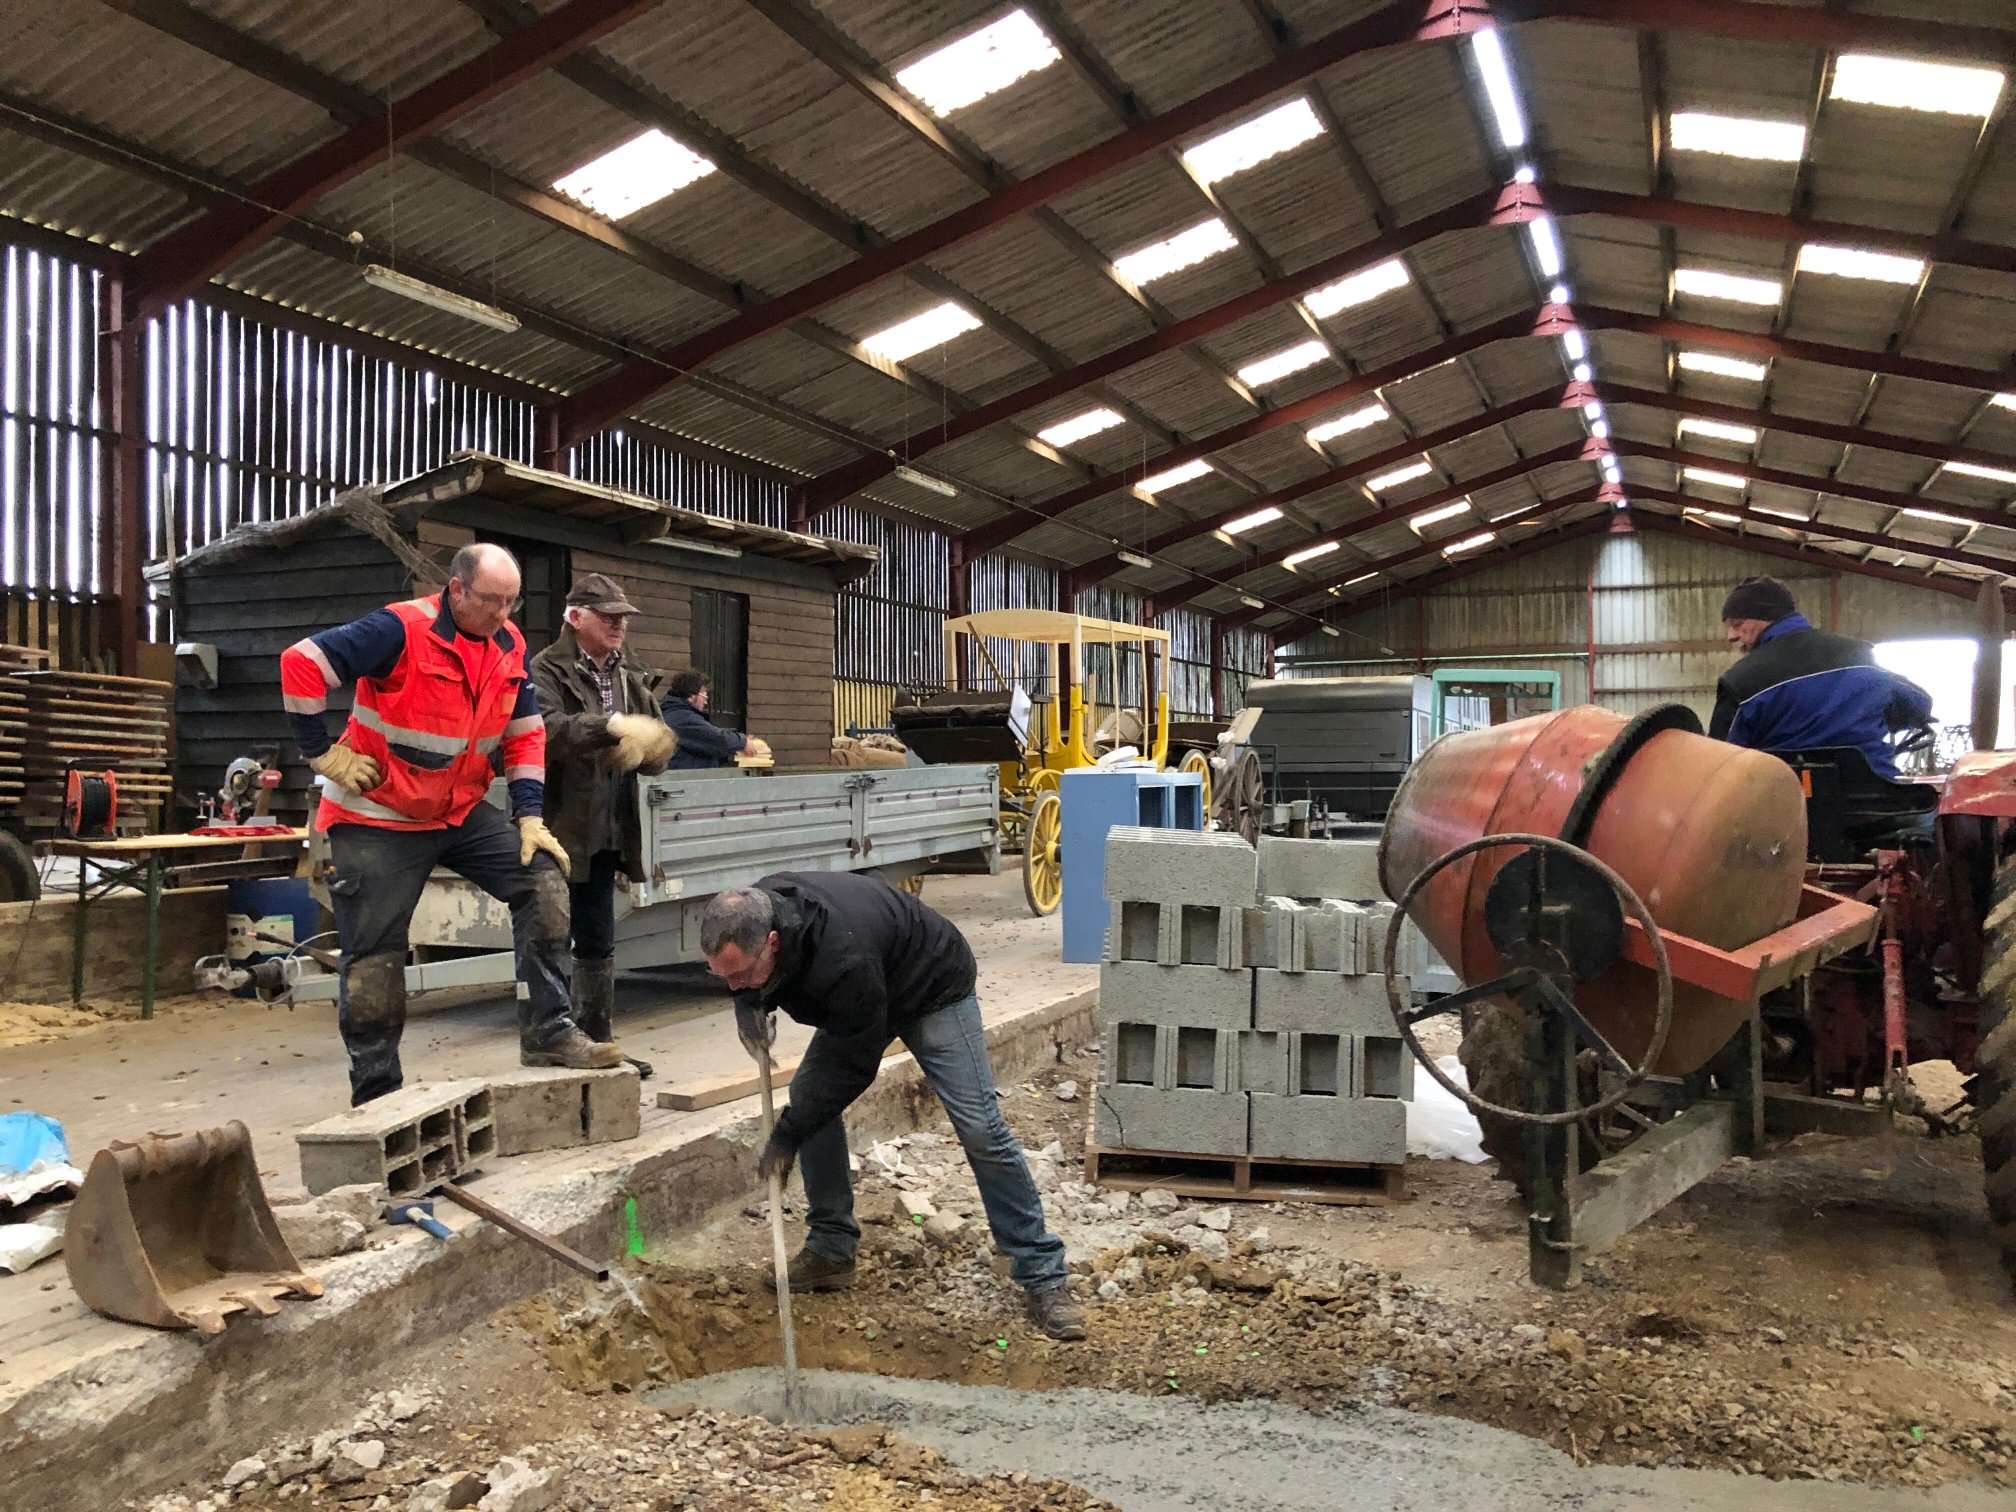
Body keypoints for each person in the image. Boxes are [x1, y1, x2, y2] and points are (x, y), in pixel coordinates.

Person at [280, 543, 619, 1106]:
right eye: (491, 601)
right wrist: (319, 752)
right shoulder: (398, 629)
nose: (503, 615)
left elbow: (525, 734)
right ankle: (377, 1091)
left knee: (544, 882)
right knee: (375, 955)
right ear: (456, 589)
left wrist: (530, 816)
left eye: (513, 603)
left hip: (454, 811)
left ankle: (548, 1031)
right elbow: (301, 663)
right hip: (377, 814)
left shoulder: (508, 645)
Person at [700, 875, 1086, 1341]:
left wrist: (786, 1135)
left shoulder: (842, 959)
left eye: (740, 974)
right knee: (810, 1103)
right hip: (867, 991)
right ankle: (831, 1250)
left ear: (773, 943)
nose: (733, 985)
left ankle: (1043, 1274)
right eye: (723, 976)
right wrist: (747, 1002)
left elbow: (855, 1065)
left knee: (980, 1127)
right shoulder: (757, 913)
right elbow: (755, 983)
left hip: (931, 986)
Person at [530, 573, 678, 1078]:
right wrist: (610, 728)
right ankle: (552, 1036)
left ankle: (599, 1042)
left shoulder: (629, 676)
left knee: (597, 939)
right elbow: (544, 731)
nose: (619, 624)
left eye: (622, 617)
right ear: (575, 617)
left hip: (609, 825)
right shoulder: (545, 669)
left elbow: (658, 748)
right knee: (548, 932)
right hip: (558, 823)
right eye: (608, 616)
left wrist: (654, 748)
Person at [1710, 575, 1933, 779]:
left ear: (1764, 618)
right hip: (1876, 803)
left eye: (1737, 625)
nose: (1731, 636)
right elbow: (1919, 705)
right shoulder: (1860, 656)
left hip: (1787, 807)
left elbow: (1719, 758)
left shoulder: (1741, 680)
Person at [660, 670, 769, 769]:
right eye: (705, 697)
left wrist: (736, 746)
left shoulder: (676, 714)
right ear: (692, 696)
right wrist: (742, 742)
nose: (706, 702)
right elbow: (715, 737)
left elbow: (709, 744)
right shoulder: (681, 717)